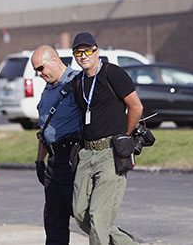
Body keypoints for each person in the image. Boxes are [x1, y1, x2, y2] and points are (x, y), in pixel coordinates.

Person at [71, 32, 143, 245]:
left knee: (99, 216)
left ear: (97, 51)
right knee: (79, 212)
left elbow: (136, 107)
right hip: (86, 153)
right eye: (78, 52)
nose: (84, 56)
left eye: (88, 51)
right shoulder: (78, 82)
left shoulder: (113, 73)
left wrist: (125, 136)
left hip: (110, 152)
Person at [31, 45, 81, 245]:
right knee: (53, 221)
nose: (39, 74)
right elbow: (44, 128)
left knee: (85, 218)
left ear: (54, 60)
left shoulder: (78, 82)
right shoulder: (48, 88)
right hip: (53, 161)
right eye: (36, 70)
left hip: (73, 159)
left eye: (41, 68)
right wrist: (39, 161)